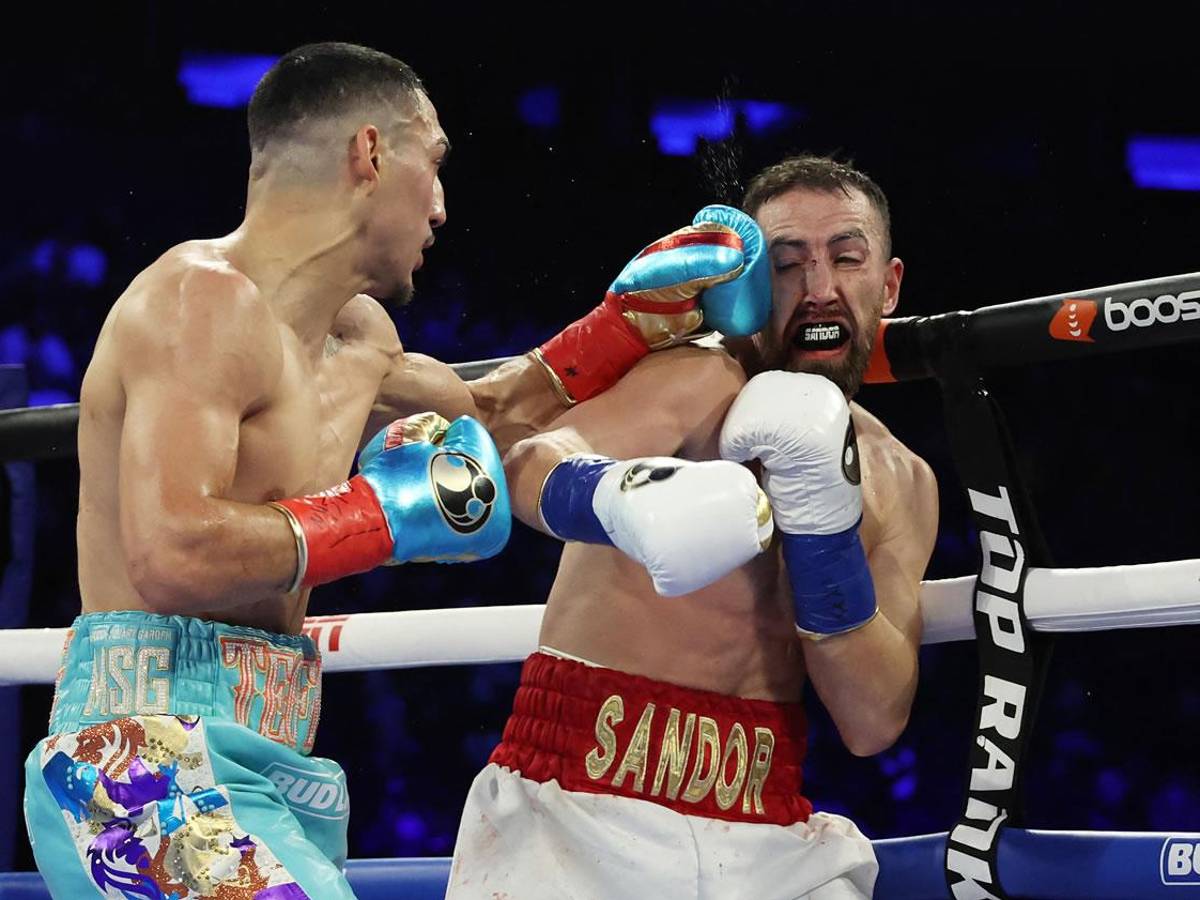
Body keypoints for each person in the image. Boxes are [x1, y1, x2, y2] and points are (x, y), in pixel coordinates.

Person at [21, 42, 766, 900]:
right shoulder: (199, 301)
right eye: (435, 163)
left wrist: (625, 323)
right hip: (140, 763)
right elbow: (171, 553)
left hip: (270, 757)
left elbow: (490, 418)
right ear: (370, 154)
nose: (442, 207)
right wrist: (379, 516)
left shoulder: (360, 337)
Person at [448, 156, 939, 899]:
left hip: (767, 825)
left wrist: (823, 537)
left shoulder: (901, 479)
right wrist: (619, 498)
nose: (818, 288)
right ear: (751, 286)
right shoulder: (696, 378)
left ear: (889, 285)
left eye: (846, 258)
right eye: (787, 265)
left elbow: (873, 720)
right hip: (580, 800)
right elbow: (531, 462)